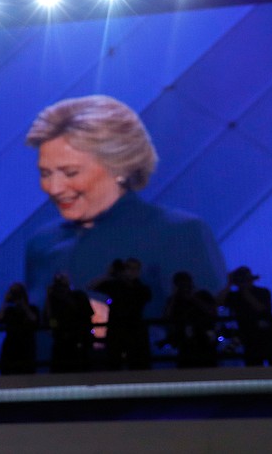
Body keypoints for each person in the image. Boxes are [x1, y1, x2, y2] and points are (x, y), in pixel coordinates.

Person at [25, 94, 227, 321]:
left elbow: (215, 335)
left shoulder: (178, 233)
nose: (53, 188)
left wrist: (122, 329)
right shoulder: (41, 242)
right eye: (45, 173)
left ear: (120, 167)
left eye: (70, 172)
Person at [89, 258, 153, 370]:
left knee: (138, 366)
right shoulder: (115, 285)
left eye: (135, 268)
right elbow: (91, 286)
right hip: (116, 331)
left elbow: (146, 297)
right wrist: (109, 275)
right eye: (129, 268)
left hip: (135, 332)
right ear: (124, 270)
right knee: (114, 364)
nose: (132, 271)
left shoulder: (142, 289)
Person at [217, 266, 272, 367]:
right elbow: (218, 303)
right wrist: (229, 284)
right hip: (249, 339)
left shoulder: (263, 292)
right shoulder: (235, 296)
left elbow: (261, 308)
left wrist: (244, 290)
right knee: (255, 368)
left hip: (269, 337)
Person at [161, 271, 219, 368]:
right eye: (180, 284)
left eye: (186, 283)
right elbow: (166, 318)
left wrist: (193, 298)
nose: (184, 287)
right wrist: (174, 297)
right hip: (184, 343)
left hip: (205, 340)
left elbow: (212, 312)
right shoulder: (174, 300)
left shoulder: (203, 295)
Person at [43, 273, 95, 373]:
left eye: (63, 278)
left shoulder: (79, 296)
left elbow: (87, 315)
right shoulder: (53, 301)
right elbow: (51, 320)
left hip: (79, 342)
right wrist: (49, 298)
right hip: (61, 343)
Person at [0, 282, 40, 375]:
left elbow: (34, 320)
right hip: (10, 349)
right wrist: (5, 301)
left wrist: (24, 305)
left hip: (26, 350)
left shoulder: (32, 308)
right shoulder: (9, 311)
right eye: (12, 292)